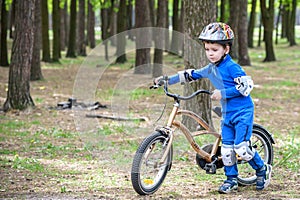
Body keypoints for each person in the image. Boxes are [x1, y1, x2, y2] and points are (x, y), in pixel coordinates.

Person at [154, 22, 272, 194]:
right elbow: (191, 74)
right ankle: (231, 179)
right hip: (227, 114)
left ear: (226, 49)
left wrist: (222, 93)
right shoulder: (211, 69)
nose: (210, 53)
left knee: (241, 148)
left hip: (242, 112)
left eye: (214, 50)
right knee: (226, 150)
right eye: (207, 49)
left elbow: (246, 87)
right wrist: (166, 80)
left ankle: (262, 169)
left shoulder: (232, 67)